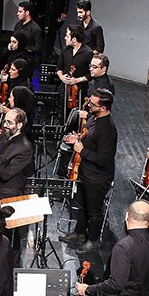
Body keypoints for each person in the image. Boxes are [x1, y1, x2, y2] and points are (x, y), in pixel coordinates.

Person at [59, 89, 117, 252]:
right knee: (82, 205)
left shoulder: (107, 130)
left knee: (94, 211)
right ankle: (79, 233)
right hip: (86, 173)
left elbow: (103, 159)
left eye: (93, 104)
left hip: (98, 178)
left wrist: (82, 150)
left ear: (104, 108)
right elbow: (87, 138)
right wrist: (76, 139)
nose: (89, 105)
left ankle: (93, 240)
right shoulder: (93, 117)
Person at [54, 24, 93, 111]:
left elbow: (91, 74)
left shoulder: (88, 53)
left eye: (67, 36)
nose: (65, 38)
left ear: (74, 39)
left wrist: (77, 80)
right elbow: (58, 68)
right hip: (64, 88)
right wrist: (61, 77)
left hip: (80, 90)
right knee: (62, 111)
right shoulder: (65, 50)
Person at [13, 2, 43, 69]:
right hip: (15, 57)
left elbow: (39, 48)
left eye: (20, 12)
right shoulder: (18, 25)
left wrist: (26, 48)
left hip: (27, 60)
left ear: (27, 13)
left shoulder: (35, 29)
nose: (17, 14)